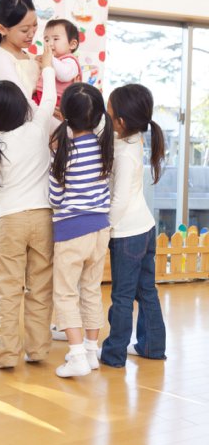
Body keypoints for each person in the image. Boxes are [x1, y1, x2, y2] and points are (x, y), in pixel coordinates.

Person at [0, 41, 56, 368]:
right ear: (21, 107)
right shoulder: (37, 128)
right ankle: (37, 351)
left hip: (10, 222)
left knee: (7, 290)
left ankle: (7, 355)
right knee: (40, 288)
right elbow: (50, 98)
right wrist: (48, 67)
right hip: (42, 219)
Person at [0, 0, 40, 343]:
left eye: (34, 25)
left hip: (31, 154)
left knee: (29, 252)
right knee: (9, 254)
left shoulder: (25, 56)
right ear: (2, 28)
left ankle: (22, 320)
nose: (31, 34)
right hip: (14, 158)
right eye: (23, 30)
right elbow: (21, 108)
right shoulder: (0, 60)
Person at [49, 83, 114, 377]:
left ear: (63, 114)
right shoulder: (104, 148)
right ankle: (90, 350)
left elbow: (55, 198)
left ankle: (75, 355)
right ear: (99, 115)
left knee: (65, 294)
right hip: (101, 230)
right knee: (90, 290)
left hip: (71, 231)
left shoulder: (62, 152)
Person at [100, 84, 166, 368]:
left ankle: (114, 354)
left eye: (109, 112)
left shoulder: (126, 155)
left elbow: (119, 200)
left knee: (122, 296)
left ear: (121, 122)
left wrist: (106, 230)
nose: (105, 115)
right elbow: (112, 138)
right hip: (145, 228)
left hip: (127, 234)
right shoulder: (134, 137)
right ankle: (152, 347)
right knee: (146, 291)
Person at [33, 18, 82, 107]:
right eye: (46, 40)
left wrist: (49, 59)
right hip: (41, 95)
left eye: (55, 39)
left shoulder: (71, 61)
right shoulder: (55, 59)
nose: (50, 44)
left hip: (59, 100)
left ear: (72, 44)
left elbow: (64, 75)